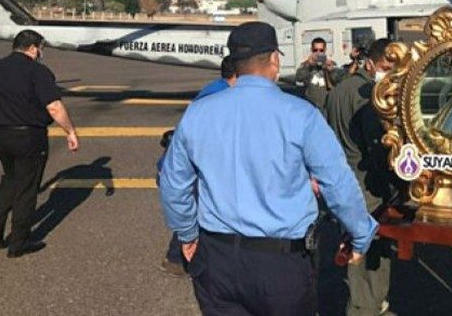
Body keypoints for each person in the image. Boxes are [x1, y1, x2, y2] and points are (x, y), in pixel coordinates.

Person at [159, 22, 378, 316]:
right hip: (280, 264)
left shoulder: (199, 112)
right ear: (275, 59)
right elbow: (337, 184)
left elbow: (174, 184)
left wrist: (187, 233)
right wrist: (360, 233)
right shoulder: (301, 115)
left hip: (216, 258)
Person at [0, 30, 79, 258]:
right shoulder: (38, 72)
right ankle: (19, 242)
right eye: (41, 48)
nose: (41, 53)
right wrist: (70, 131)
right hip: (29, 137)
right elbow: (54, 107)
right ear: (32, 48)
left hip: (0, 135)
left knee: (9, 179)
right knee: (27, 188)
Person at [325, 38, 401, 316]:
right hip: (366, 182)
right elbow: (376, 148)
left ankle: (369, 305)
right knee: (368, 253)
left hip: (342, 177)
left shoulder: (339, 90)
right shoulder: (369, 96)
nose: (389, 74)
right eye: (386, 67)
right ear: (371, 64)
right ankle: (364, 308)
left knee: (358, 246)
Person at [159, 56, 238, 277]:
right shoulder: (220, 95)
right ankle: (177, 259)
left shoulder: (217, 89)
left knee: (196, 209)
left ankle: (177, 258)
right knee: (196, 209)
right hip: (190, 165)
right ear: (237, 75)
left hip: (185, 161)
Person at [295, 37, 343, 111]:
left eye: (321, 50)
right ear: (311, 50)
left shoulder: (331, 64)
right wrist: (309, 66)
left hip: (327, 105)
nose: (318, 53)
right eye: (315, 50)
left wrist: (331, 70)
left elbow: (339, 81)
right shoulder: (306, 65)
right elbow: (298, 78)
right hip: (311, 105)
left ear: (325, 50)